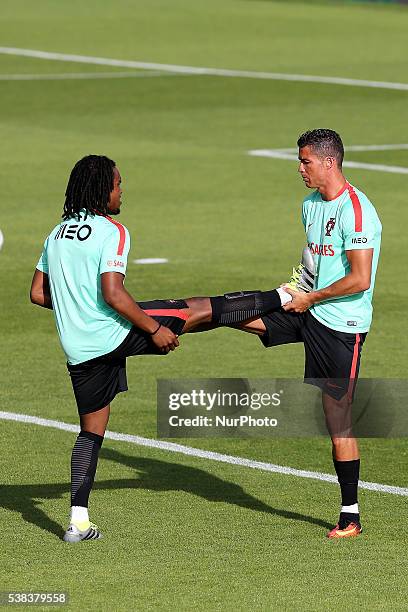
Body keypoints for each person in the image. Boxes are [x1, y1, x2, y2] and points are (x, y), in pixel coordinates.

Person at [30, 154, 293, 543]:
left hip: (79, 349)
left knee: (91, 433)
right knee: (195, 309)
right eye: (118, 184)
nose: (123, 190)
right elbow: (114, 294)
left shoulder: (56, 233)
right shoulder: (112, 231)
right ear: (104, 189)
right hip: (113, 332)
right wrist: (153, 329)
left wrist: (77, 306)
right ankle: (286, 295)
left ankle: (78, 524)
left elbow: (38, 293)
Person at [241, 129, 382, 538]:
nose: (299, 168)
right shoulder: (309, 205)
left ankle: (351, 515)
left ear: (329, 162)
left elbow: (359, 279)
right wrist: (294, 289)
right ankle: (173, 321)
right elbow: (311, 259)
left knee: (337, 417)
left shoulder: (357, 211)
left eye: (304, 161)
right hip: (310, 307)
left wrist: (311, 297)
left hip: (342, 325)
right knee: (239, 313)